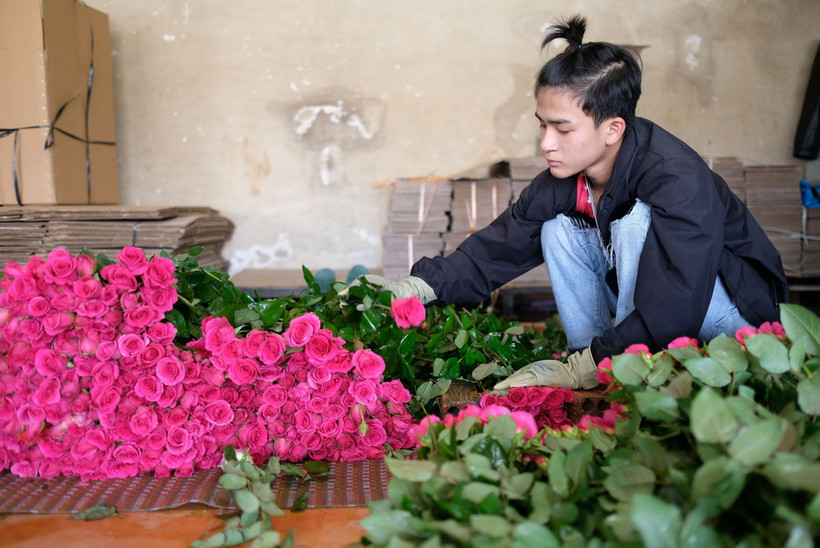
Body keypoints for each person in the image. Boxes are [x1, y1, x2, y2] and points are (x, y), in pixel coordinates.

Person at [357, 15, 788, 389]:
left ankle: (597, 365)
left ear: (612, 129)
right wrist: (420, 286)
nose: (546, 143)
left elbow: (677, 301)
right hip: (661, 318)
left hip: (726, 319)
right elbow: (502, 244)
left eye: (562, 130)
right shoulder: (566, 178)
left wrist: (589, 368)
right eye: (542, 125)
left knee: (637, 222)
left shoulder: (678, 179)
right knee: (555, 227)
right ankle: (592, 355)